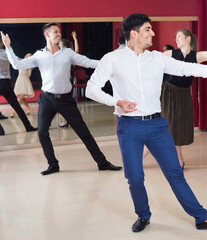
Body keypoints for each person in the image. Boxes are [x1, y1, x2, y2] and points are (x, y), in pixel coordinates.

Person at [86, 13, 207, 233]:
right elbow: (91, 88)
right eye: (148, 29)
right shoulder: (112, 59)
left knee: (175, 173)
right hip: (129, 127)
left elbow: (187, 68)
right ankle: (143, 215)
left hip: (157, 126)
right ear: (133, 33)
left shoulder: (157, 58)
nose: (152, 33)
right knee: (134, 178)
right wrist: (117, 101)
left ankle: (202, 218)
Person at [1, 24, 122, 175]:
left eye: (59, 31)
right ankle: (53, 165)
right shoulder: (39, 55)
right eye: (55, 32)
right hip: (47, 99)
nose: (59, 33)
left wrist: (112, 64)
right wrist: (8, 47)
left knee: (84, 132)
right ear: (47, 34)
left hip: (66, 100)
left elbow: (89, 62)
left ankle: (102, 163)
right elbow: (17, 65)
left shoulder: (68, 53)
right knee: (42, 132)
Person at [144, 14, 207, 168]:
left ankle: (174, 160)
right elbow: (151, 63)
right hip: (168, 93)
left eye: (179, 36)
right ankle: (178, 160)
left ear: (188, 38)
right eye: (176, 37)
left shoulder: (196, 56)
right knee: (168, 127)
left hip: (183, 95)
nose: (176, 39)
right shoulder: (170, 54)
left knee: (177, 128)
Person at [0, 40, 37, 134]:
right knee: (17, 106)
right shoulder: (6, 53)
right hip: (5, 83)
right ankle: (28, 126)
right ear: (1, 43)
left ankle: (0, 130)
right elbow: (19, 61)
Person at [10, 53, 35, 117]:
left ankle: (14, 111)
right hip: (19, 79)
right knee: (21, 97)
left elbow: (31, 67)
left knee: (21, 96)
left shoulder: (31, 65)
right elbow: (15, 60)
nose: (27, 56)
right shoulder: (21, 62)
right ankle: (29, 108)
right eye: (27, 55)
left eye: (30, 56)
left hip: (25, 80)